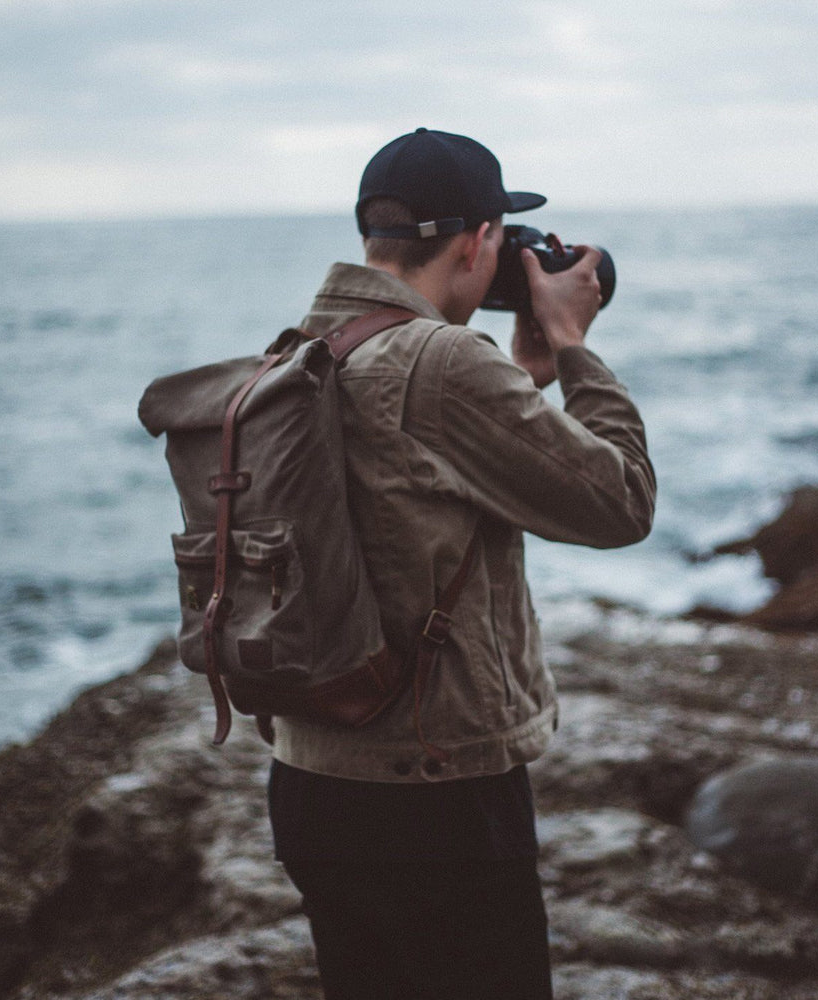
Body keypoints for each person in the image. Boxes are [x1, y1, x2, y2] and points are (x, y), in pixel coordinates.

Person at [266, 127, 656, 1000]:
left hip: (312, 779)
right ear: (481, 240)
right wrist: (572, 340)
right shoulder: (442, 362)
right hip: (437, 798)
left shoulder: (306, 347)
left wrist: (522, 377)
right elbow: (621, 502)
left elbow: (414, 483)